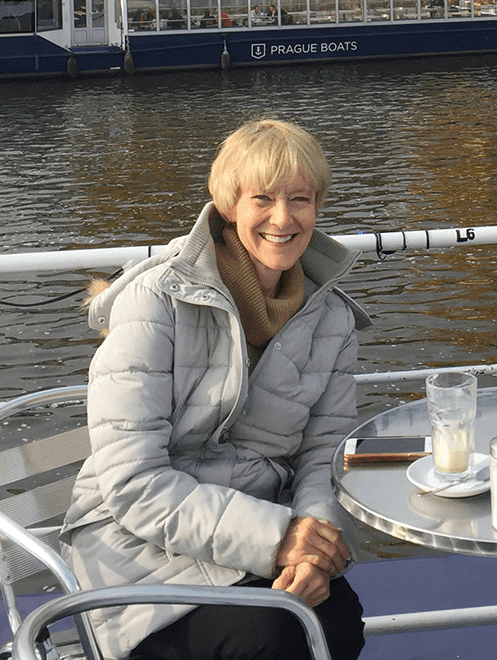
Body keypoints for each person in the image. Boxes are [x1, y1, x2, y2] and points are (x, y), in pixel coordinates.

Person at [63, 119, 369, 660]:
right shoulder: (155, 301)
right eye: (263, 199)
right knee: (273, 640)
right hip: (138, 548)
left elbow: (327, 453)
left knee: (338, 621)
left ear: (318, 206)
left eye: (299, 199)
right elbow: (133, 482)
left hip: (260, 535)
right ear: (229, 205)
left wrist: (314, 545)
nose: (283, 218)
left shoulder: (331, 318)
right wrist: (278, 538)